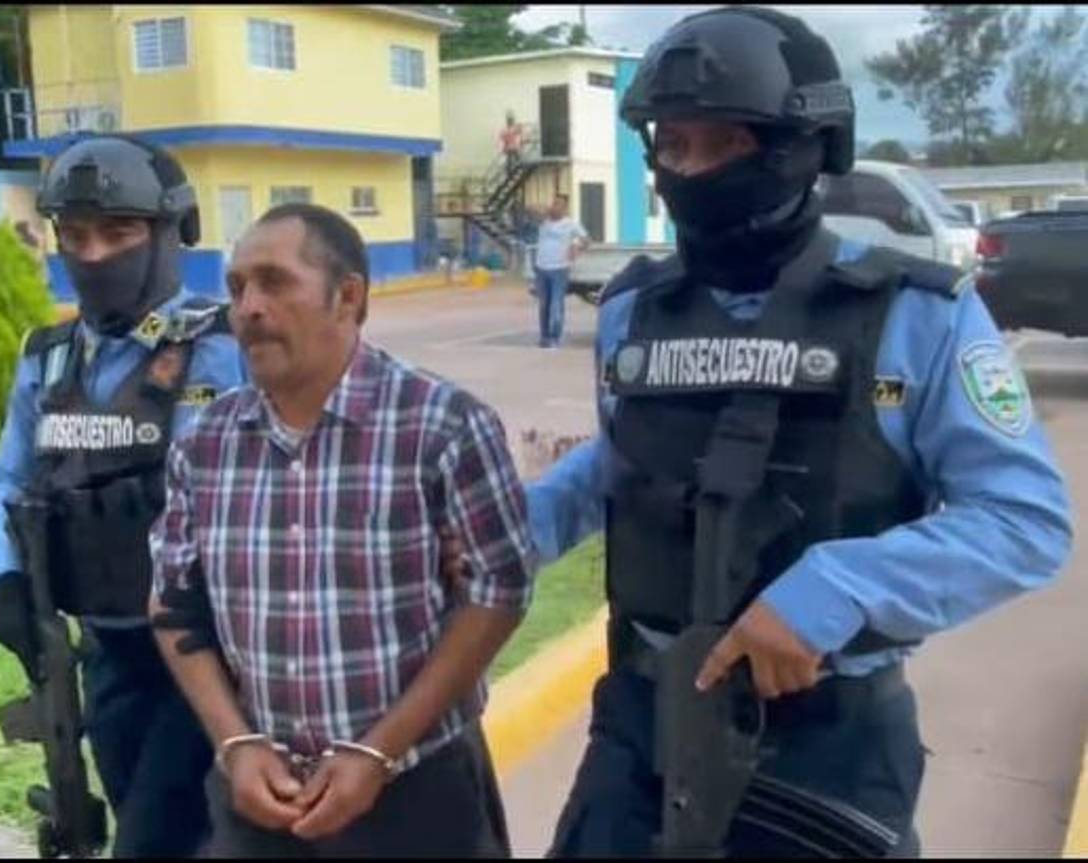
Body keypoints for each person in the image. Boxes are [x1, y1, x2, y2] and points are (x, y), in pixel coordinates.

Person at [522, 6, 1072, 857]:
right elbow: (625, 458)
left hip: (827, 741)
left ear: (806, 148)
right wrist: (514, 529)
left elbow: (1024, 521)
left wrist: (836, 590)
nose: (691, 170)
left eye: (726, 144)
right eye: (673, 146)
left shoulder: (913, 313)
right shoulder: (635, 309)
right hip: (641, 722)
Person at [147, 202, 536, 857]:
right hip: (259, 801)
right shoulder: (206, 443)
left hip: (417, 793)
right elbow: (170, 598)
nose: (248, 307)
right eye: (238, 287)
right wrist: (235, 743)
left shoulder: (441, 426)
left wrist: (378, 750)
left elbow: (499, 590)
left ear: (348, 296)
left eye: (274, 281)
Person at [0, 134, 248, 857]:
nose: (92, 255)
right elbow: (14, 479)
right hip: (106, 648)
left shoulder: (225, 346)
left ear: (169, 233)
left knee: (156, 840)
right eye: (75, 235)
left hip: (212, 654)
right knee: (136, 817)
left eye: (118, 233)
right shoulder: (48, 359)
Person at [533, 194, 590, 348]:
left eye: (559, 204)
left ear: (565, 208)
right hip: (542, 268)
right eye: (554, 203)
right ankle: (544, 337)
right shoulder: (544, 222)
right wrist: (545, 210)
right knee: (544, 305)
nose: (555, 206)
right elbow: (531, 210)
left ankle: (555, 337)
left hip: (559, 269)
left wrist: (576, 248)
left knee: (556, 305)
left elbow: (586, 240)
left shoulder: (571, 224)